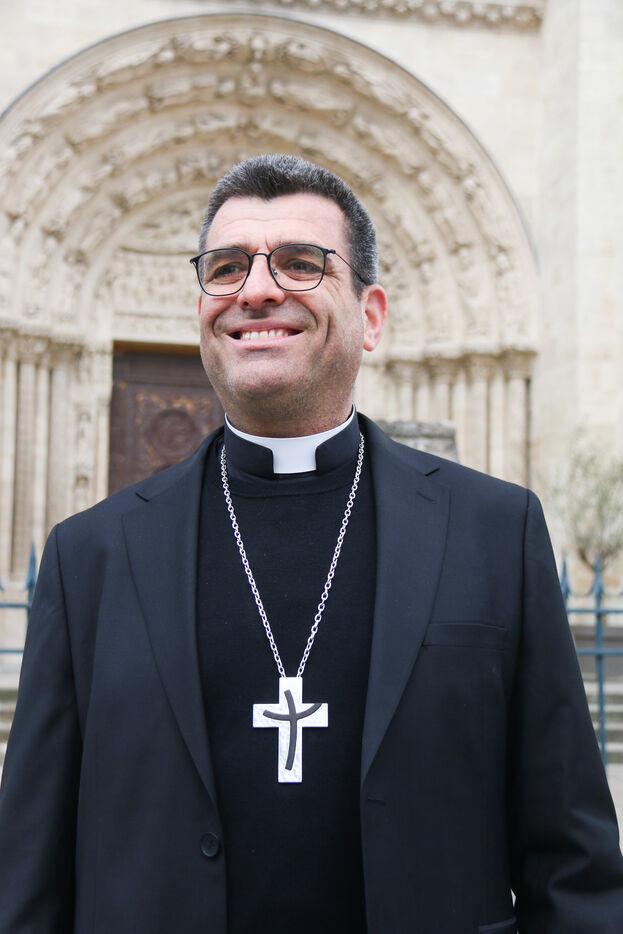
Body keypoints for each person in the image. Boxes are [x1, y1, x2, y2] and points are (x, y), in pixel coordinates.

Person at [0, 153, 622, 934]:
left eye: (301, 262)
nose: (256, 290)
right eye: (225, 267)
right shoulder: (88, 555)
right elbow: (27, 876)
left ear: (371, 317)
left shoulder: (494, 531)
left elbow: (572, 866)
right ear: (201, 311)